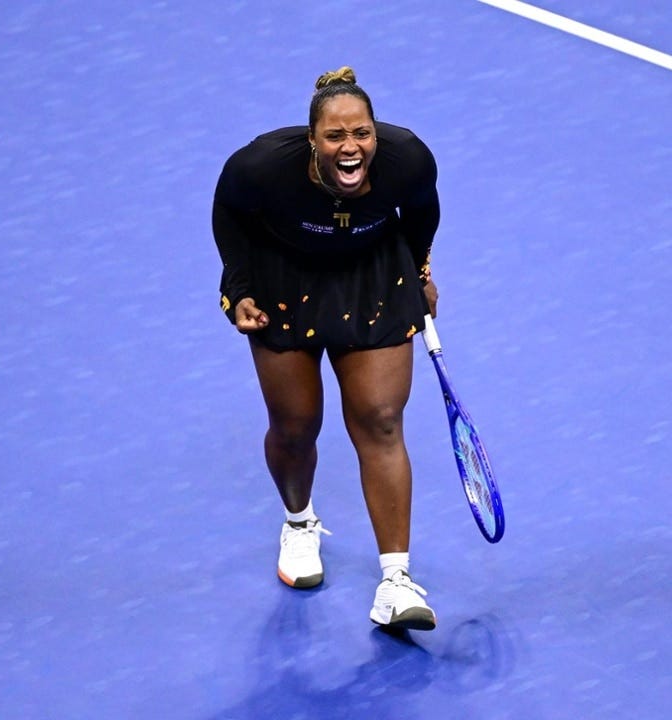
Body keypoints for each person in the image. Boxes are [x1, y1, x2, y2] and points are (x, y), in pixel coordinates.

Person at [212, 66, 441, 631]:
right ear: (312, 139)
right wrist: (237, 288)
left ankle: (395, 581)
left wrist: (420, 272)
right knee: (295, 426)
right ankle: (299, 523)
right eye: (335, 136)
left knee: (381, 420)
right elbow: (229, 213)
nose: (350, 147)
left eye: (362, 133)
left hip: (373, 275)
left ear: (376, 134)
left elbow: (422, 214)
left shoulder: (409, 159)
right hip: (283, 277)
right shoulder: (261, 166)